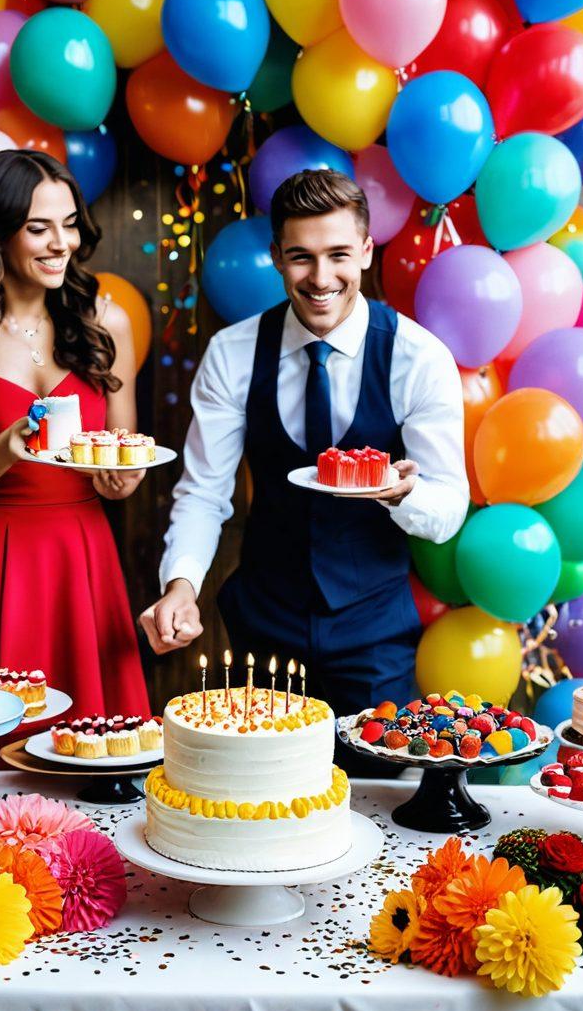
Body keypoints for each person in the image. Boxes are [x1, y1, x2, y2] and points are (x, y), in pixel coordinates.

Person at [140, 169, 469, 724]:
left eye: (339, 254)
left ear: (366, 251)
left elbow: (447, 509)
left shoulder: (417, 356)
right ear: (275, 256)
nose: (321, 278)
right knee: (261, 797)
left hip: (375, 629)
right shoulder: (233, 353)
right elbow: (203, 493)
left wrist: (400, 494)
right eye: (301, 257)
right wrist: (180, 586)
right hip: (264, 622)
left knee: (372, 797)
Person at [0, 149, 149, 768]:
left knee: (91, 753)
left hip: (82, 558)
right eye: (39, 228)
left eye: (69, 224)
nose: (61, 242)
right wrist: (7, 447)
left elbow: (121, 459)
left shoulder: (106, 322)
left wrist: (122, 482)